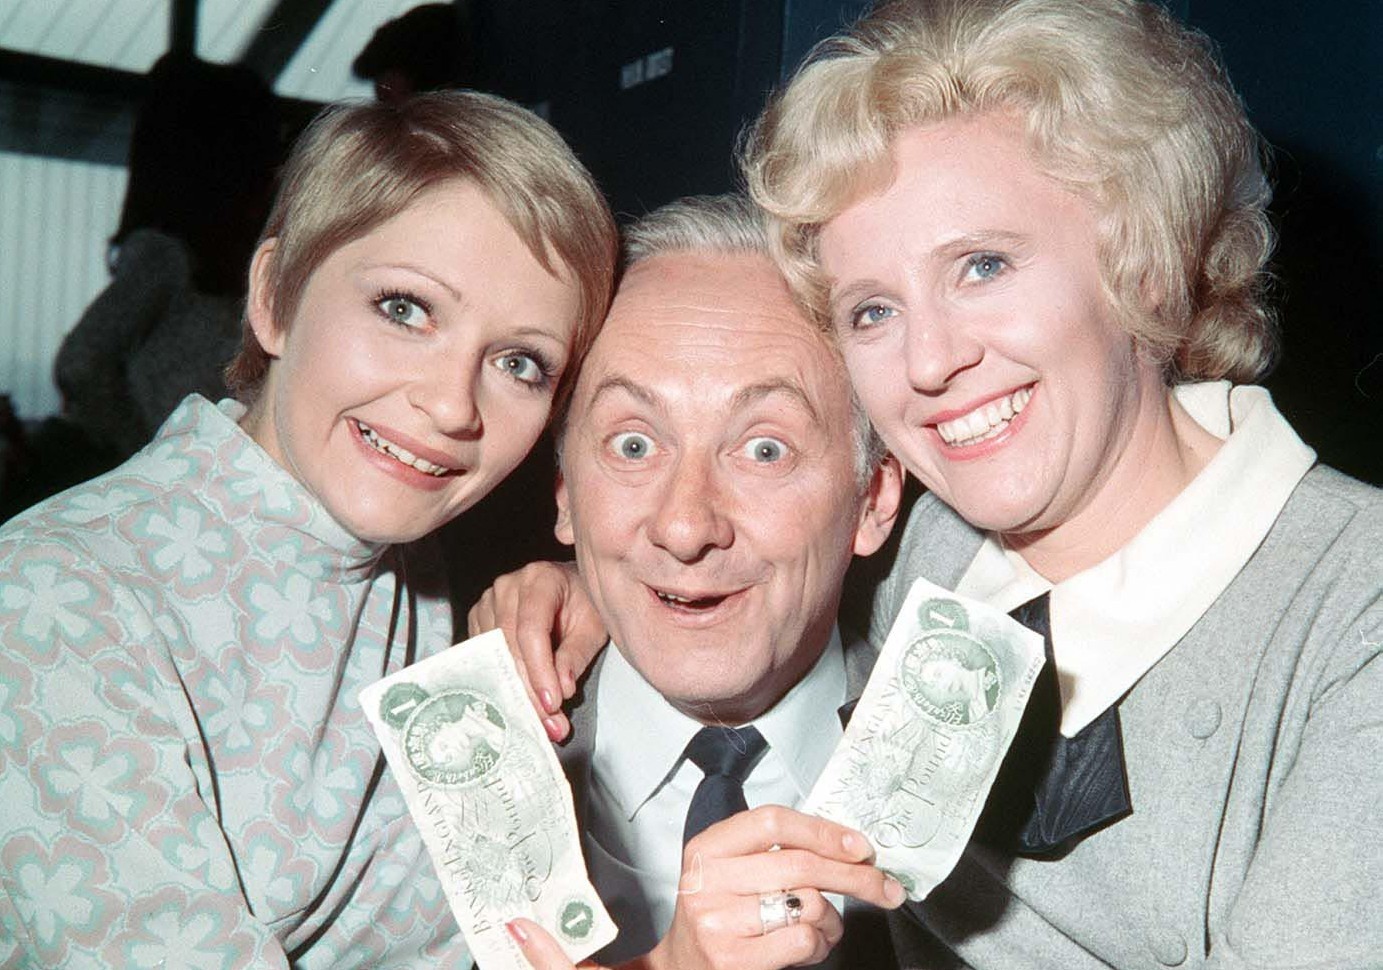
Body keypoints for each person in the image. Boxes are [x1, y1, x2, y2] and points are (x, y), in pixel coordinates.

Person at [477, 2, 1383, 968]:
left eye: (982, 266)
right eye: (872, 309)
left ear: (1148, 264)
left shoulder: (1350, 621)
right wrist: (586, 591)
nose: (929, 360)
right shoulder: (934, 540)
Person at [0, 90, 617, 968]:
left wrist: (596, 585)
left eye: (520, 363)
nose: (449, 406)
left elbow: (520, 931)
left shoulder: (414, 560)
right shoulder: (52, 599)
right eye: (406, 309)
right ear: (275, 298)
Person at [485, 194, 907, 970]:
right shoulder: (439, 770)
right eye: (635, 445)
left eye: (764, 451)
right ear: (564, 496)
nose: (685, 526)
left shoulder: (986, 781)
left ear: (873, 498)